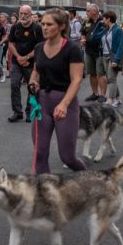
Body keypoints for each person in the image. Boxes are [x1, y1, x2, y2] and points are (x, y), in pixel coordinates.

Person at [28, 9, 86, 173]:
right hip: (42, 104)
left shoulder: (72, 49)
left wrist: (64, 104)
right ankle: (44, 194)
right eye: (43, 24)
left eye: (49, 24)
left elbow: (76, 79)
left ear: (61, 26)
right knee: (39, 153)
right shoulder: (39, 47)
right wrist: (33, 81)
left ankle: (88, 180)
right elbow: (36, 71)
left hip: (65, 103)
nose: (44, 27)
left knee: (67, 157)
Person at [7, 5, 44, 122]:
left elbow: (40, 46)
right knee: (14, 85)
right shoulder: (15, 27)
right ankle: (17, 112)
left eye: (25, 14)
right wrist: (18, 57)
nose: (22, 16)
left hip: (32, 63)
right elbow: (11, 44)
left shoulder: (37, 28)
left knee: (31, 88)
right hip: (17, 62)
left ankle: (29, 111)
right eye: (20, 13)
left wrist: (27, 57)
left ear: (30, 14)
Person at [92, 11, 123, 107]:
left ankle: (111, 99)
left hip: (112, 57)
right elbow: (94, 37)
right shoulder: (106, 29)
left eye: (104, 19)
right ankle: (118, 99)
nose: (102, 20)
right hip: (105, 56)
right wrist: (98, 25)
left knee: (111, 79)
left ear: (109, 19)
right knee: (111, 78)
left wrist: (116, 60)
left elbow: (121, 46)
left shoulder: (118, 29)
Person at [80, 4, 103, 102]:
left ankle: (103, 95)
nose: (86, 13)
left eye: (88, 11)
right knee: (92, 73)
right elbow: (83, 33)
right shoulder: (86, 21)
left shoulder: (103, 21)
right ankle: (95, 93)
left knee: (101, 74)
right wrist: (83, 39)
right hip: (89, 51)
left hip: (100, 51)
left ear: (94, 11)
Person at [0, 12, 11, 78]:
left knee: (7, 58)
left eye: (2, 17)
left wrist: (3, 41)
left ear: (6, 18)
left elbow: (8, 35)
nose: (0, 18)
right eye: (0, 17)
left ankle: (9, 72)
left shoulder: (9, 26)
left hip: (6, 43)